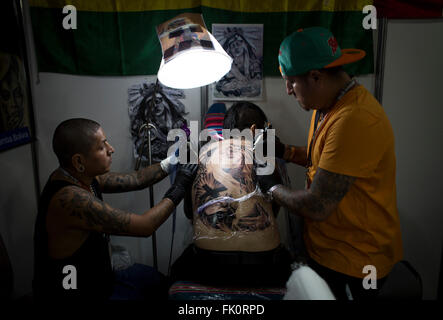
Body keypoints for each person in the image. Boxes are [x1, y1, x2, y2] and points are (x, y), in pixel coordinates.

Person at [257, 27, 403, 300]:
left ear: (315, 77)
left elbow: (317, 205)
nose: (288, 90)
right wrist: (284, 151)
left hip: (356, 263)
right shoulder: (327, 106)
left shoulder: (353, 119)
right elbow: (325, 161)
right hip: (329, 250)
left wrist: (271, 187)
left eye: (290, 82)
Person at [33, 118, 197, 301]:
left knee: (158, 282)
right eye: (102, 147)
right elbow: (145, 226)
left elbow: (137, 179)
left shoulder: (81, 177)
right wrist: (180, 187)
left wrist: (172, 161)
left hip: (101, 280)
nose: (111, 149)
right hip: (76, 294)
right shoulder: (71, 199)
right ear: (79, 161)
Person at [170, 102, 292, 288]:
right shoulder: (267, 159)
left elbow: (190, 212)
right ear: (254, 130)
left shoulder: (202, 154)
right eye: (266, 130)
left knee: (175, 271)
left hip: (208, 265)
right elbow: (273, 213)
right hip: (265, 266)